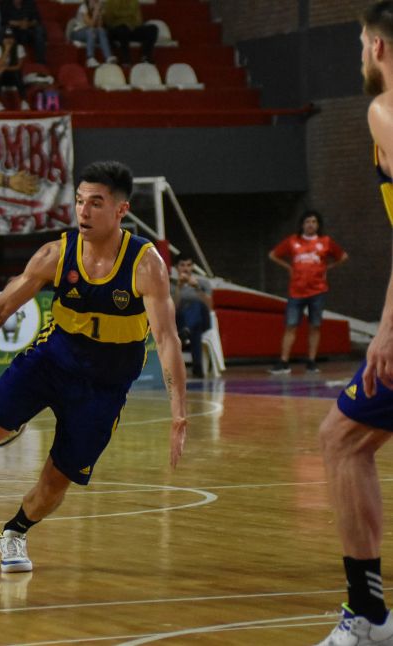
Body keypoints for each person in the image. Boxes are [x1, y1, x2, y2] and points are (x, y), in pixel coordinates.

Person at [0, 160, 187, 574]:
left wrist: (178, 413)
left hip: (106, 385)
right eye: (80, 201)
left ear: (121, 210)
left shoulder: (145, 264)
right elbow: (0, 307)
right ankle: (17, 420)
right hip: (53, 359)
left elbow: (167, 339)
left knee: (54, 483)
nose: (83, 211)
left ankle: (15, 531)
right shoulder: (56, 253)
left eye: (96, 203)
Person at [315, 4, 393, 644]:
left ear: (378, 47)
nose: (361, 55)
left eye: (361, 44)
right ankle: (368, 615)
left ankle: (367, 618)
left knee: (342, 440)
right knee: (346, 437)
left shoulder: (384, 110)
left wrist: (387, 328)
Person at [268, 210, 348, 374]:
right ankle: (284, 361)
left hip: (318, 290)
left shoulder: (325, 242)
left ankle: (311, 361)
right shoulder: (293, 241)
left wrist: (328, 268)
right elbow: (273, 255)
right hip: (296, 291)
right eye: (307, 222)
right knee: (290, 325)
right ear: (302, 225)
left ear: (318, 225)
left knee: (315, 325)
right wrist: (289, 267)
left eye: (313, 222)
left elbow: (343, 256)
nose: (310, 225)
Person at [170, 254, 213, 379]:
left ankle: (186, 331)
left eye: (189, 265)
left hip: (203, 319)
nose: (186, 268)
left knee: (196, 305)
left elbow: (209, 306)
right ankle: (197, 367)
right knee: (195, 329)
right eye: (182, 265)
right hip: (180, 321)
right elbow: (173, 308)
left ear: (193, 267)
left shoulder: (203, 283)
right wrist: (178, 288)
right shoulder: (171, 284)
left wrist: (197, 287)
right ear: (176, 267)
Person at [102, 0, 158, 66]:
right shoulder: (111, 2)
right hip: (116, 29)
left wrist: (131, 26)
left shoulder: (134, 2)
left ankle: (146, 57)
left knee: (153, 29)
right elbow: (109, 21)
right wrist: (123, 23)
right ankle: (126, 60)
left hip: (131, 28)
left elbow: (138, 20)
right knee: (123, 29)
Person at [0, 28, 30, 110]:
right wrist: (6, 50)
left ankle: (24, 101)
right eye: (6, 38)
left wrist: (5, 68)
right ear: (3, 39)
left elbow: (18, 67)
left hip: (11, 75)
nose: (8, 40)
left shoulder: (19, 48)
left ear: (14, 39)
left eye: (11, 38)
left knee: (17, 74)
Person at [66, 0, 116, 68]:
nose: (95, 1)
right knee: (90, 31)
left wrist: (99, 14)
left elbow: (100, 26)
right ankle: (90, 58)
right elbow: (90, 25)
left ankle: (108, 57)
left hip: (90, 32)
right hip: (77, 32)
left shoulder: (97, 8)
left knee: (102, 30)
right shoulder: (83, 7)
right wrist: (95, 13)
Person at [1, 0, 47, 64]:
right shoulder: (5, 3)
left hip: (28, 30)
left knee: (39, 30)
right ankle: (10, 62)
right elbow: (4, 21)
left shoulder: (30, 3)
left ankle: (40, 62)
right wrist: (19, 23)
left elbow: (36, 20)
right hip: (13, 30)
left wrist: (28, 24)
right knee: (6, 31)